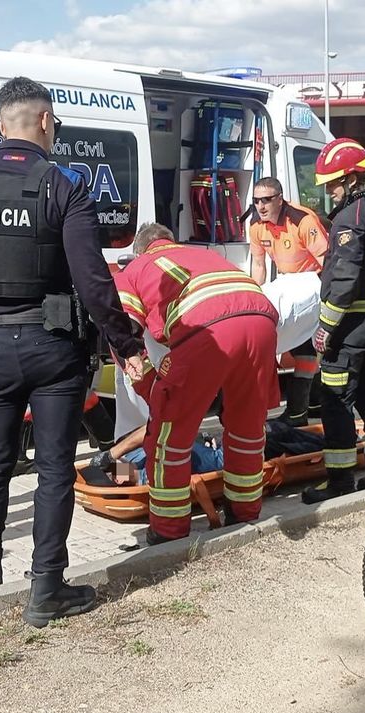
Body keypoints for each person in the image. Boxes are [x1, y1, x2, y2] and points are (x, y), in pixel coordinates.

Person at [0, 77, 146, 628]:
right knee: (51, 469)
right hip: (54, 349)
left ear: (4, 126)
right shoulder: (64, 185)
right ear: (46, 121)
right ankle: (46, 587)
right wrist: (128, 344)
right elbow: (93, 281)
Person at [113, 223, 279, 543]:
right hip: (261, 320)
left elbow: (121, 329)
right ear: (171, 241)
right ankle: (243, 513)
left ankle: (168, 531)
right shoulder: (203, 254)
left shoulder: (136, 268)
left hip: (207, 329)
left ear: (139, 251)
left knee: (167, 439)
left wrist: (149, 385)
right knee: (247, 428)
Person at [302, 138, 365, 504]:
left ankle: (339, 481)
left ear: (351, 179)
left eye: (334, 184)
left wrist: (325, 326)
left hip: (351, 327)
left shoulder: (349, 219)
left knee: (335, 399)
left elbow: (344, 281)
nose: (330, 191)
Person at [248, 177, 331, 426]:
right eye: (256, 201)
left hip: (311, 283)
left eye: (266, 200)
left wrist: (328, 300)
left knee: (306, 351)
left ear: (280, 199)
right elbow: (259, 265)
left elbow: (327, 260)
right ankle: (309, 405)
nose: (260, 206)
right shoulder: (256, 226)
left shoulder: (302, 221)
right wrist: (255, 295)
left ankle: (297, 413)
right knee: (299, 349)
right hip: (288, 283)